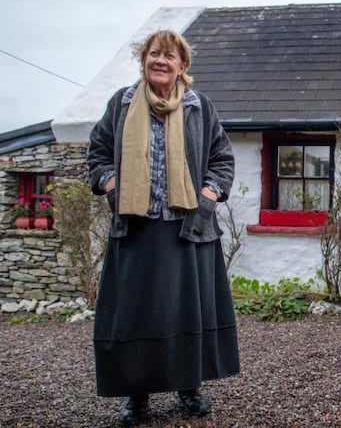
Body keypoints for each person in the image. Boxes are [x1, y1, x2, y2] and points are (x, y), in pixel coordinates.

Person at [87, 30, 239, 426]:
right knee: (136, 316)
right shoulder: (121, 104)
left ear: (182, 66)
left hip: (187, 230)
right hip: (136, 229)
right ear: (144, 60)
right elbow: (98, 153)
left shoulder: (199, 107)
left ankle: (189, 388)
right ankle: (137, 396)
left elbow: (222, 159)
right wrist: (112, 185)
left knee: (188, 314)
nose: (161, 61)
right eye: (154, 53)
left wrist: (208, 197)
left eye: (170, 56)